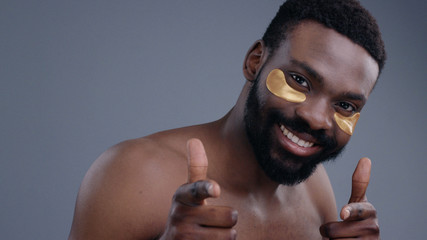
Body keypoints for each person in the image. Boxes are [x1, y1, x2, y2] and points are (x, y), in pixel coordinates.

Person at [69, 0, 386, 239]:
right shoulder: (136, 174)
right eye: (300, 81)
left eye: (345, 104)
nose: (317, 119)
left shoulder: (316, 190)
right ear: (255, 62)